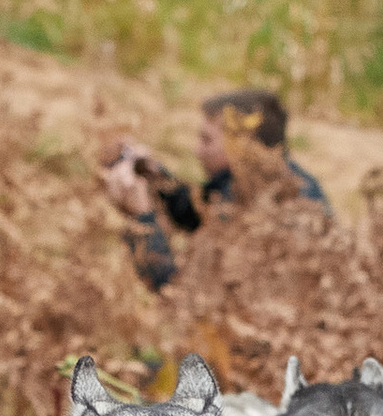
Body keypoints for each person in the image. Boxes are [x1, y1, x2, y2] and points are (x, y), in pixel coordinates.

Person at [97, 86, 327, 292]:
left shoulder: (266, 212)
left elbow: (181, 294)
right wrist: (156, 176)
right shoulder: (273, 179)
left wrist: (143, 220)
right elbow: (199, 210)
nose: (197, 150)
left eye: (207, 140)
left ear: (243, 146)